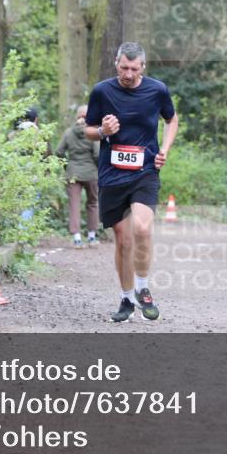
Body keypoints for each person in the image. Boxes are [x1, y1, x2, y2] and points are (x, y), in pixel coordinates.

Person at [84, 42, 179, 323]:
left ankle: (143, 288)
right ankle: (126, 299)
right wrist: (102, 130)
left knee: (142, 226)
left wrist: (165, 149)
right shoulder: (102, 91)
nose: (128, 73)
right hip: (112, 174)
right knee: (123, 240)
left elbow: (171, 120)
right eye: (124, 67)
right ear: (116, 63)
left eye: (134, 69)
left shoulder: (157, 90)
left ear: (143, 68)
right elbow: (88, 130)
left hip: (145, 170)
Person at [56, 105, 100, 248]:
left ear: (77, 117)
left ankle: (77, 239)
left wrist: (67, 166)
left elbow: (59, 152)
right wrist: (97, 168)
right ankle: (92, 238)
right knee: (93, 203)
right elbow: (97, 154)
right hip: (91, 173)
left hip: (72, 173)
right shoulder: (93, 133)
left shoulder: (69, 133)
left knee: (74, 205)